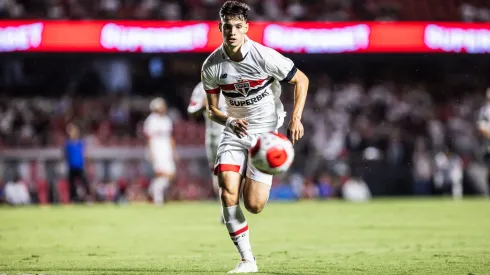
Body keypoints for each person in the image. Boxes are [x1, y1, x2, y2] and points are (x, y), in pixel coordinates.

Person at [201, 1, 309, 273]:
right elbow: (212, 110)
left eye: (238, 27)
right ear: (220, 28)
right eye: (228, 27)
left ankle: (256, 175)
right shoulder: (212, 66)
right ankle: (247, 260)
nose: (233, 32)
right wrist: (229, 120)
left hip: (265, 136)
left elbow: (302, 80)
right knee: (227, 192)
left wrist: (296, 117)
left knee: (254, 205)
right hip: (234, 132)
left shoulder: (263, 56)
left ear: (246, 28)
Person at [187, 81, 226, 199]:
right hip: (212, 134)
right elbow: (191, 110)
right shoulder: (202, 87)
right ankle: (225, 206)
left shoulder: (236, 81)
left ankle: (230, 205)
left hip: (231, 132)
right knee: (217, 171)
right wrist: (202, 105)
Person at [143, 97, 177, 206]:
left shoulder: (167, 120)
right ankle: (158, 198)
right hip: (156, 148)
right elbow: (148, 138)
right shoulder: (151, 120)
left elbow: (170, 137)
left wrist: (174, 150)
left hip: (166, 149)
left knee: (171, 174)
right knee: (161, 173)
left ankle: (152, 190)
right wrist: (151, 151)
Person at [64, 123, 91, 203]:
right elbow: (65, 155)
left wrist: (86, 164)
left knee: (85, 182)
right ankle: (73, 199)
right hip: (71, 167)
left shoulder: (80, 143)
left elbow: (84, 154)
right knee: (71, 184)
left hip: (79, 166)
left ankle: (89, 197)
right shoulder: (67, 144)